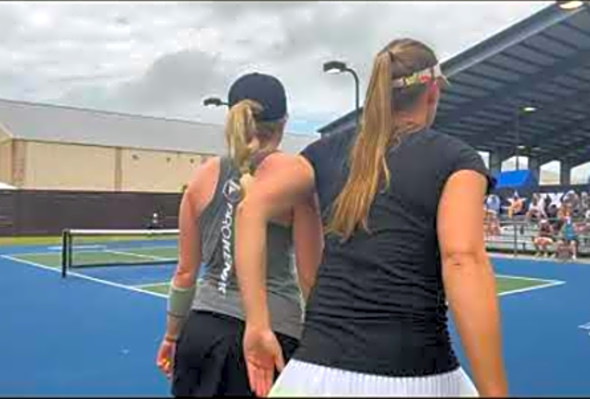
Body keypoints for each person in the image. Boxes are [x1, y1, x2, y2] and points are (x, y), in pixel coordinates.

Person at [235, 38, 507, 397]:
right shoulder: (457, 160)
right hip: (416, 374)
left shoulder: (320, 154)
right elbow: (462, 259)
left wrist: (257, 324)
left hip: (312, 373)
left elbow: (249, 208)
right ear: (432, 91)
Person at [155, 72, 323, 396]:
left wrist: (172, 336)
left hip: (200, 333)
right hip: (270, 338)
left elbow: (185, 273)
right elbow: (310, 276)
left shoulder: (200, 179)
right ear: (284, 121)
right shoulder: (293, 175)